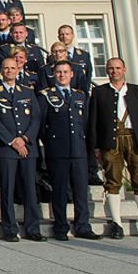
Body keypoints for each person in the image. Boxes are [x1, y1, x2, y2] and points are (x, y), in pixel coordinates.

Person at [89, 57, 138, 240]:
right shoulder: (99, 92)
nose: (114, 71)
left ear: (124, 69)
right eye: (110, 69)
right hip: (110, 141)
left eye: (117, 68)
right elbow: (93, 122)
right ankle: (116, 223)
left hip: (135, 139)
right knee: (113, 181)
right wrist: (95, 146)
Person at [37, 61, 101, 241]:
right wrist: (51, 142)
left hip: (78, 150)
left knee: (81, 191)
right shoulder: (46, 96)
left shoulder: (80, 96)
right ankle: (60, 226)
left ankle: (83, 225)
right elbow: (41, 125)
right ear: (54, 75)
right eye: (58, 72)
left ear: (72, 75)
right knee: (59, 190)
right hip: (57, 151)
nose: (62, 75)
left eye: (65, 72)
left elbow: (87, 125)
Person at [0, 57, 46, 242]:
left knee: (29, 190)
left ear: (18, 69)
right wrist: (13, 141)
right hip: (7, 149)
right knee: (7, 190)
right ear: (0, 70)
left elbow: (36, 118)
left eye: (12, 68)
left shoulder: (27, 91)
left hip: (28, 148)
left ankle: (33, 228)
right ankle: (9, 229)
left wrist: (25, 139)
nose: (9, 71)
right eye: (6, 68)